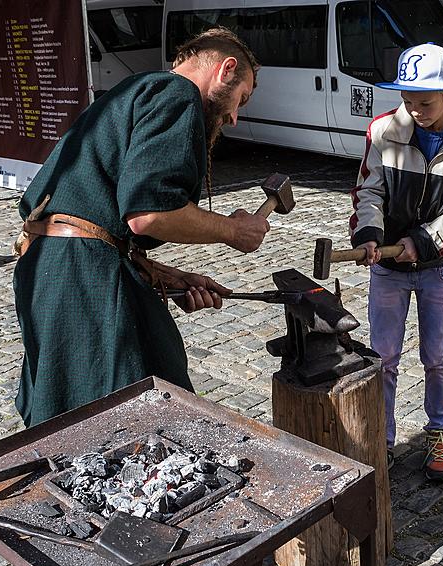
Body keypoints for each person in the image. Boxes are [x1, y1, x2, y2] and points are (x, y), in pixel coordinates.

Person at [13, 27, 269, 427]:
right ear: (226, 69)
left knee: (103, 402)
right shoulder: (178, 94)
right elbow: (148, 212)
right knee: (120, 420)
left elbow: (100, 220)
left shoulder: (134, 89)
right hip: (78, 277)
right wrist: (235, 231)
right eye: (242, 98)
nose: (234, 116)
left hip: (52, 264)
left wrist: (162, 275)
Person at [349, 43, 443, 480]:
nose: (415, 111)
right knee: (384, 357)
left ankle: (439, 431)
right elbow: (368, 191)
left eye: (425, 102)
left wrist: (426, 241)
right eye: (408, 101)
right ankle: (382, 438)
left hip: (439, 268)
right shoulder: (381, 131)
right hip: (388, 270)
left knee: (437, 356)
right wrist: (371, 234)